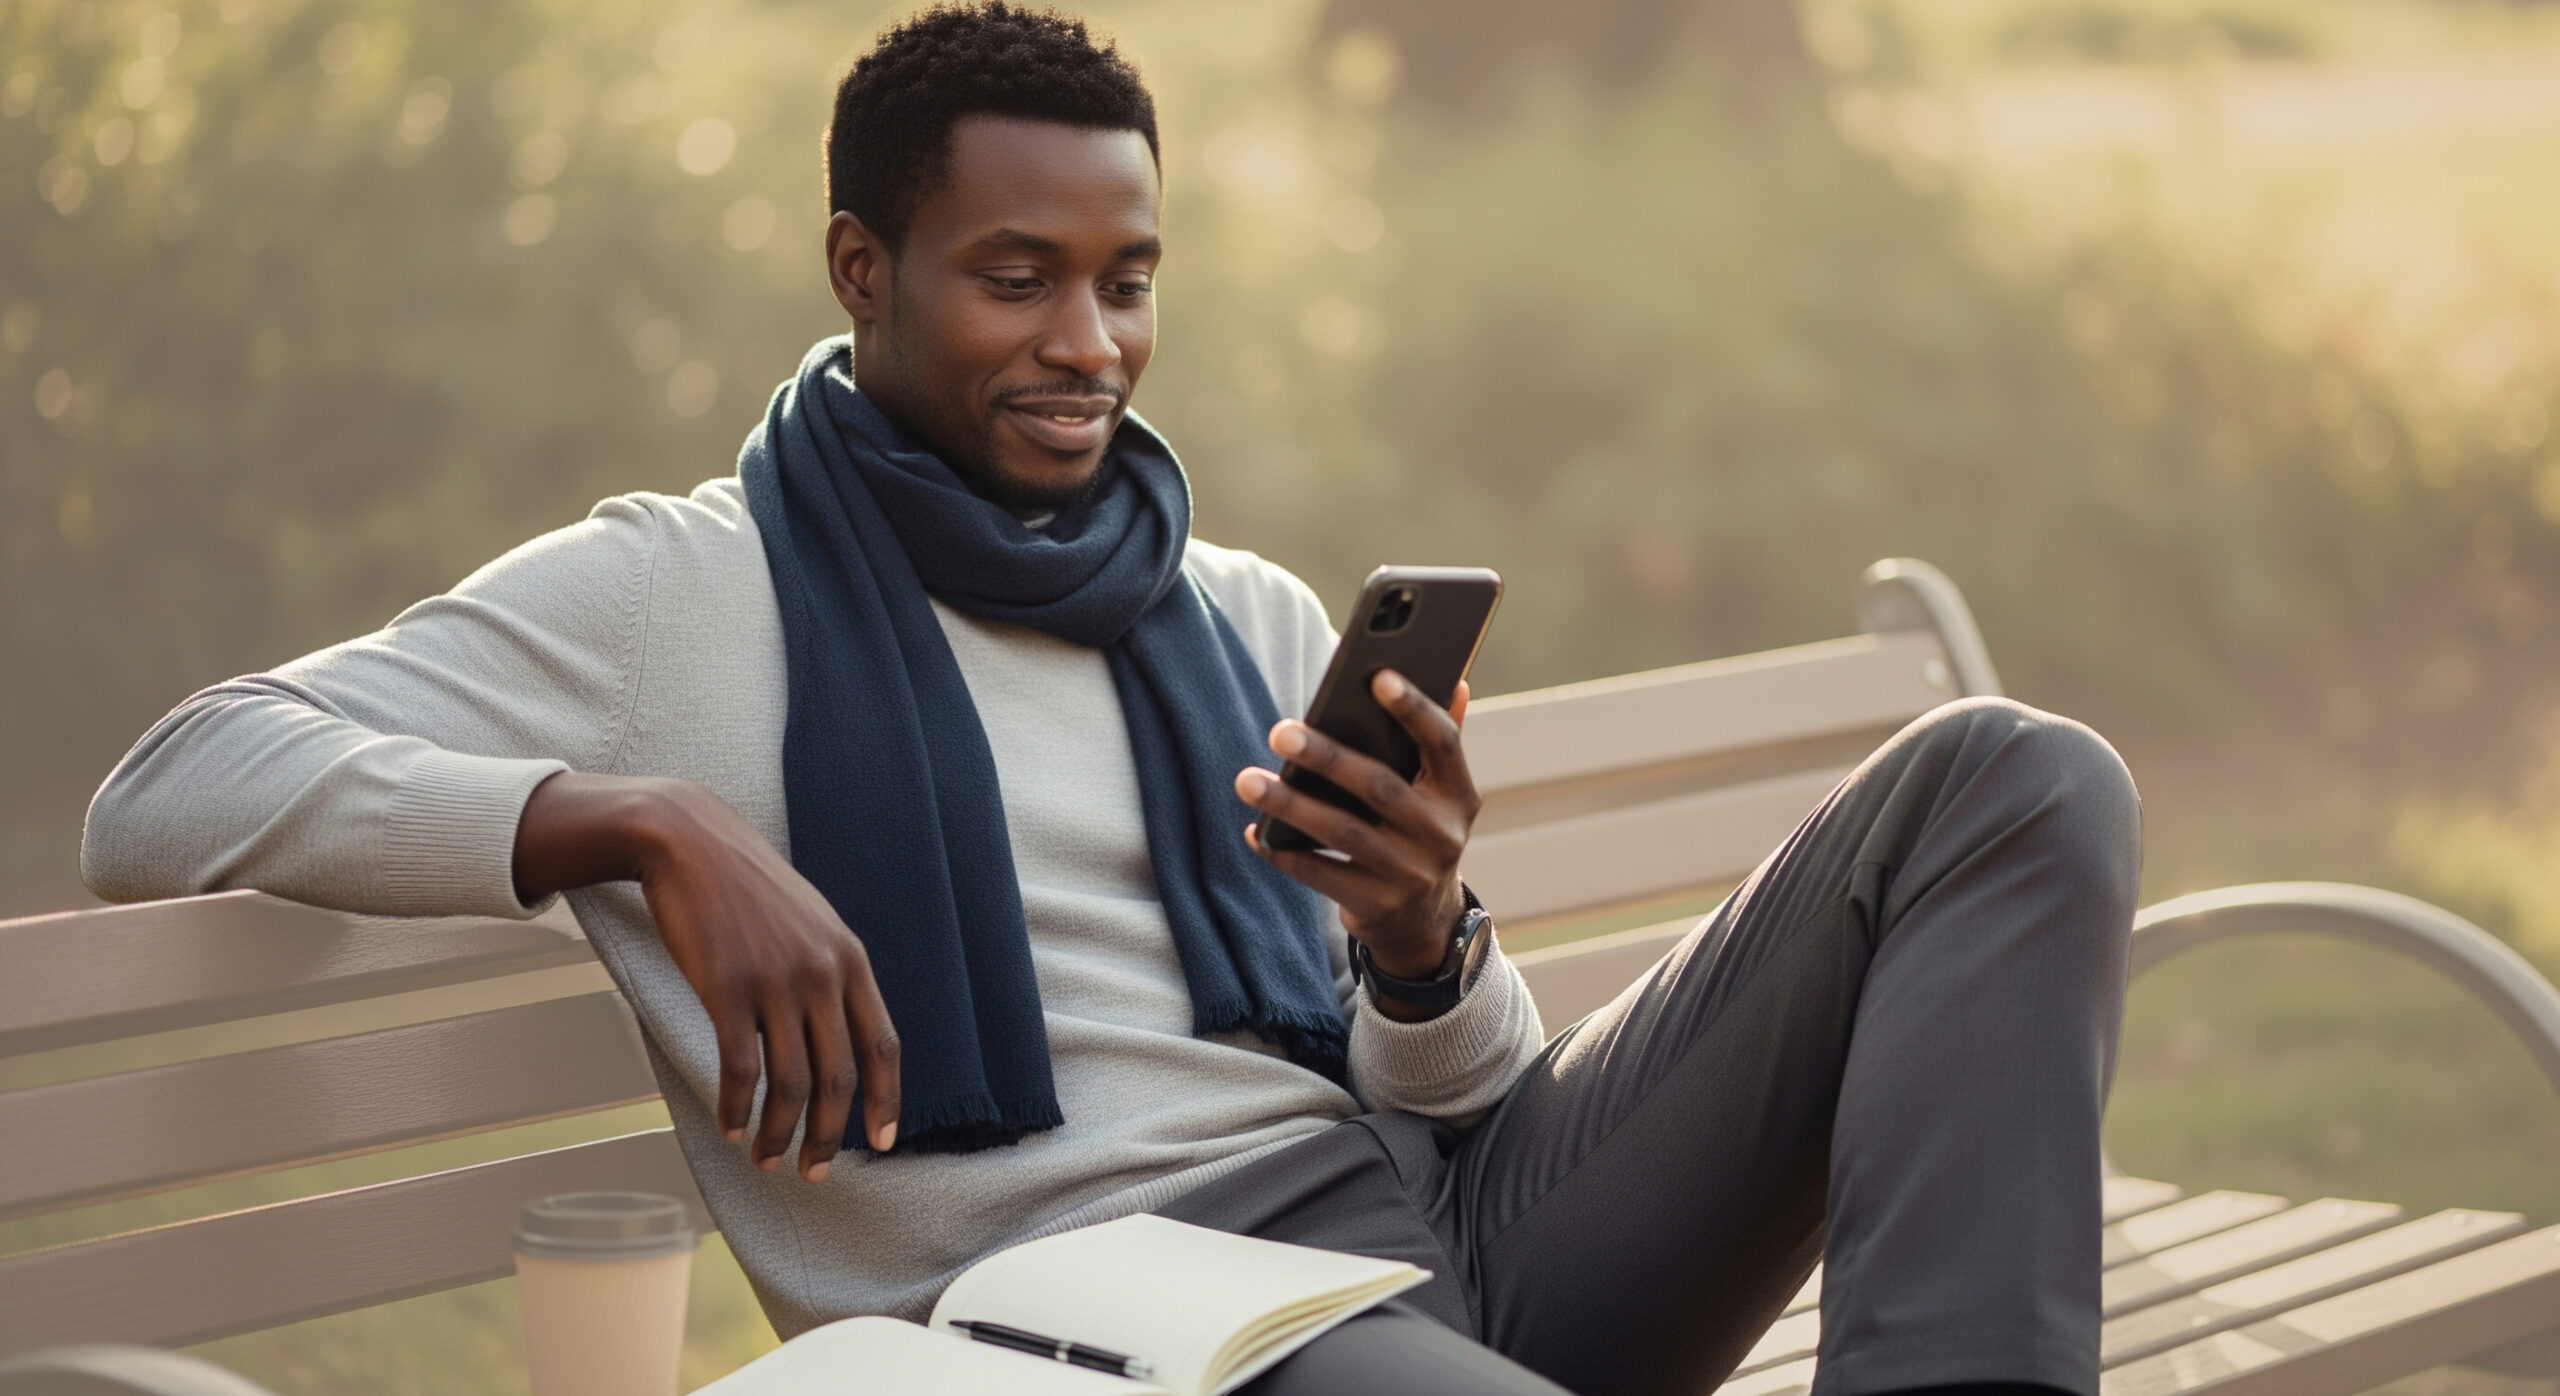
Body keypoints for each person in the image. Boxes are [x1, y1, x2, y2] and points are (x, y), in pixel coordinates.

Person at [80, 6, 2142, 1395]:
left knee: (2006, 775)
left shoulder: (1225, 606)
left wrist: (1425, 948)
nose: (1088, 340)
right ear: (860, 269)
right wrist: (634, 821)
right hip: (1132, 1307)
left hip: (1442, 1226)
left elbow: (1450, 1099)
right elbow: (172, 779)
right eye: (1015, 273)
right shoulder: (676, 596)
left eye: (1126, 276)